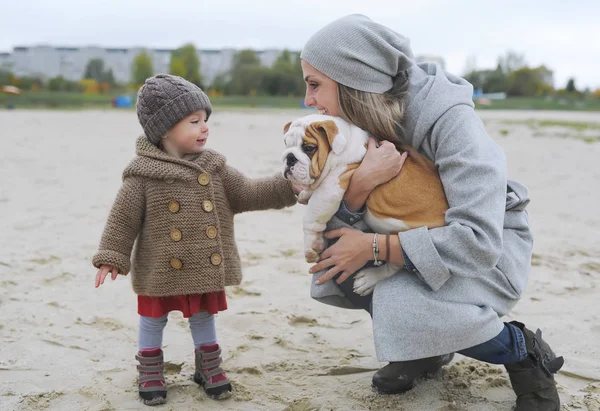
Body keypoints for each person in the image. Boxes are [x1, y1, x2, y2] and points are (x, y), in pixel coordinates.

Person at [301, 14, 563, 411]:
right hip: (417, 240)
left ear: (354, 78)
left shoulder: (452, 120)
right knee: (336, 262)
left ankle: (522, 351)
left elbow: (478, 241)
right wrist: (359, 187)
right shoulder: (358, 123)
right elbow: (335, 231)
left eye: (315, 84)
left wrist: (374, 247)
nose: (308, 100)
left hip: (488, 252)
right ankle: (424, 351)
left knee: (399, 300)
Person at [92, 74, 298, 406]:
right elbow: (123, 218)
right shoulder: (142, 175)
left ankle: (208, 366)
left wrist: (289, 186)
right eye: (194, 121)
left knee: (203, 315)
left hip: (202, 264)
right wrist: (111, 255)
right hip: (161, 266)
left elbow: (249, 193)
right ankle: (150, 369)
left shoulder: (214, 169)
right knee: (152, 318)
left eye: (205, 120)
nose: (205, 127)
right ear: (165, 129)